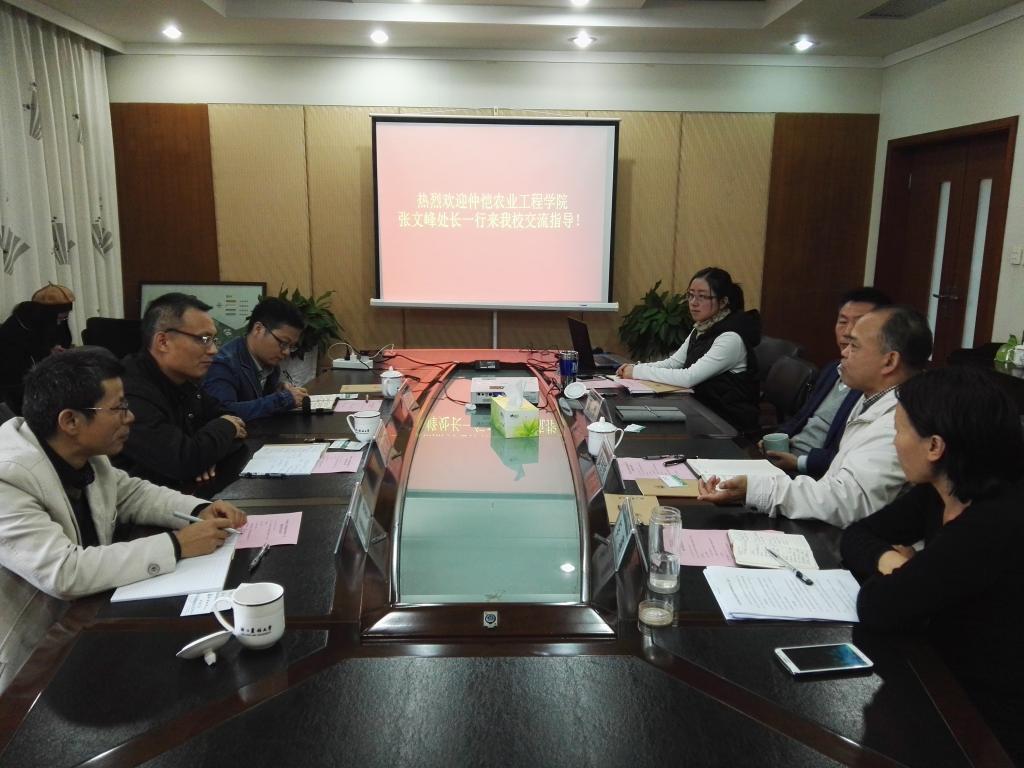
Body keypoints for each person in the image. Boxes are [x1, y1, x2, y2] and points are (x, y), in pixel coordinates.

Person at [0, 348, 246, 691]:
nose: (129, 417)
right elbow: (64, 571)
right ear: (70, 421)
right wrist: (177, 545)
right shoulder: (8, 476)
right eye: (118, 408)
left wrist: (198, 510)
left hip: (84, 620)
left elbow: (131, 493)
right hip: (29, 660)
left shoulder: (84, 452)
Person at [841, 367, 1024, 763]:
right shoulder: (942, 489)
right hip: (936, 668)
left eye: (899, 431)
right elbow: (855, 535)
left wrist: (910, 575)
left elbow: (878, 607)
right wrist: (898, 563)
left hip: (983, 720)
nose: (895, 442)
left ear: (935, 446)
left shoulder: (991, 522)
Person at [699, 305, 932, 528]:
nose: (844, 352)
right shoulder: (871, 398)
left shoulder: (900, 421)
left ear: (889, 361)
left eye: (855, 346)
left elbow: (848, 501)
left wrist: (756, 490)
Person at [115, 293, 247, 488]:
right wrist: (211, 444)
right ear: (163, 342)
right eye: (203, 339)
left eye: (213, 340)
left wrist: (208, 454)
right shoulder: (127, 392)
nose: (213, 350)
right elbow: (182, 461)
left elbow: (234, 421)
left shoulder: (183, 380)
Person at [765, 286, 891, 479]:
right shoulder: (833, 369)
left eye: (860, 323)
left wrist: (800, 462)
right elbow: (802, 416)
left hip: (816, 475)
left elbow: (847, 457)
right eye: (842, 322)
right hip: (786, 459)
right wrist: (777, 438)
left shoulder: (872, 386)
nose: (848, 331)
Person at [617, 267, 761, 431]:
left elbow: (688, 377)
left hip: (728, 423)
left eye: (702, 296)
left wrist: (637, 372)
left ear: (723, 302)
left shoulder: (730, 338)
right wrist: (636, 368)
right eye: (691, 295)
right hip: (702, 411)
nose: (693, 302)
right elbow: (673, 363)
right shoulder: (702, 327)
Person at [202, 297, 308, 420]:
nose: (286, 352)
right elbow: (222, 413)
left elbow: (258, 402)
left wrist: (277, 391)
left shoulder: (268, 362)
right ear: (258, 329)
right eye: (283, 343)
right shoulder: (224, 364)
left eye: (291, 346)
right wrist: (281, 400)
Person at [0, 282, 75, 414]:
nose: (60, 323)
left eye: (64, 319)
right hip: (16, 392)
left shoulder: (43, 325)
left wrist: (52, 351)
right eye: (59, 319)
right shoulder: (13, 331)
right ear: (46, 315)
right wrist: (47, 354)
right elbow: (18, 371)